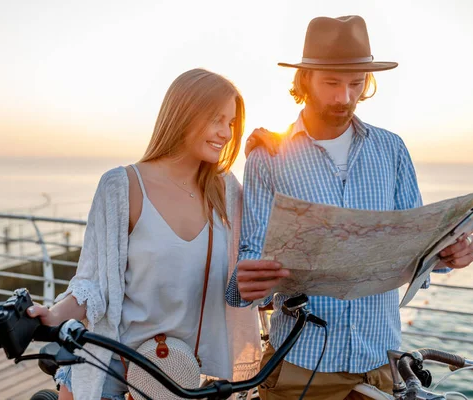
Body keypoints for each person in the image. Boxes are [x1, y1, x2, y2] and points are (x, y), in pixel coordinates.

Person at [226, 16, 473, 400]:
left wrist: (450, 253)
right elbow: (250, 262)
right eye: (332, 83)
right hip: (298, 368)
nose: (345, 97)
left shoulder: (391, 150)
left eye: (356, 84)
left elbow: (418, 249)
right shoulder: (269, 156)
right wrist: (245, 286)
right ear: (305, 79)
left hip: (379, 364)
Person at [27, 68, 282, 400]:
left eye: (231, 123)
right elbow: (93, 283)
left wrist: (270, 160)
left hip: (183, 377)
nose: (226, 133)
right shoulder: (122, 187)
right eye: (216, 120)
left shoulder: (226, 191)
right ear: (184, 115)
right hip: (114, 369)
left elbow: (265, 239)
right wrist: (54, 314)